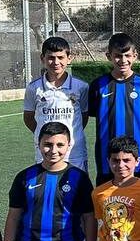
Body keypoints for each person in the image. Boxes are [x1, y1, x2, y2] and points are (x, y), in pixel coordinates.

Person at [0, 122, 95, 241]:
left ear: (69, 145)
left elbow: (90, 219)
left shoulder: (79, 178)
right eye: (48, 144)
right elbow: (13, 219)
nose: (53, 150)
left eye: (60, 145)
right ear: (38, 143)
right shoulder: (24, 177)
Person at [88, 32, 140, 185]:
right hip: (107, 159)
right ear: (109, 56)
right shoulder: (98, 86)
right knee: (107, 205)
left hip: (139, 158)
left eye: (127, 55)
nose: (123, 60)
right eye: (118, 56)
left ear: (135, 55)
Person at [23, 36, 90, 171]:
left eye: (60, 57)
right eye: (51, 58)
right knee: (45, 189)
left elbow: (84, 116)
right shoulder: (33, 88)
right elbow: (28, 118)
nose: (56, 62)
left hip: (74, 152)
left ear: (69, 58)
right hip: (46, 152)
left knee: (77, 189)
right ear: (42, 58)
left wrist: (70, 134)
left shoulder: (81, 87)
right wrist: (44, 136)